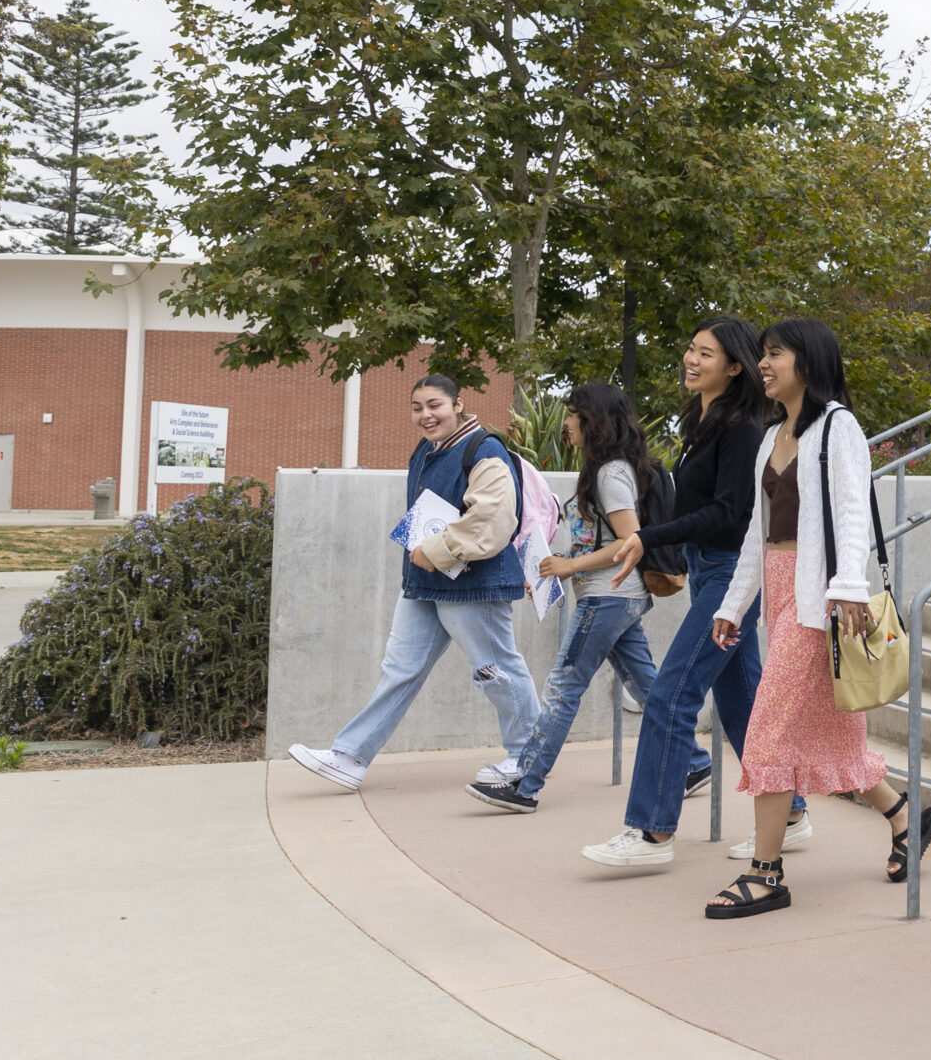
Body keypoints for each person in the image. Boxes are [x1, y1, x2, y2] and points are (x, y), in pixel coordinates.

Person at [702, 317, 931, 918]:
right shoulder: (771, 435)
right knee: (830, 735)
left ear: (807, 361)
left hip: (818, 602)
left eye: (775, 353)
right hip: (780, 595)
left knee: (768, 731)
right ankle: (906, 820)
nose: (764, 364)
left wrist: (848, 589)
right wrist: (733, 606)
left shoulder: (838, 426)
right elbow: (758, 534)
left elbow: (853, 512)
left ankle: (765, 872)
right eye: (761, 355)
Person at [578, 318, 810, 869]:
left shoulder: (743, 430)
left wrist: (647, 536)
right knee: (742, 702)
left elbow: (732, 513)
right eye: (690, 347)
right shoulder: (702, 421)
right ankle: (794, 810)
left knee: (672, 693)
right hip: (708, 570)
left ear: (734, 367)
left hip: (734, 574)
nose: (690, 358)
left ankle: (651, 834)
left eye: (704, 352)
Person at [288, 375, 541, 792]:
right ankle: (349, 757)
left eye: (435, 405)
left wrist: (437, 550)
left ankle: (528, 758)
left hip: (470, 585)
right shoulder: (429, 449)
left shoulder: (485, 449)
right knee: (399, 670)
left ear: (459, 404)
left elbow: (493, 520)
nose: (425, 415)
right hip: (425, 581)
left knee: (497, 670)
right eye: (417, 407)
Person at [466, 382, 661, 814]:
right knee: (649, 688)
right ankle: (695, 763)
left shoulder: (610, 473)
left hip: (606, 598)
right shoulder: (609, 469)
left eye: (573, 414)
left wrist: (571, 566)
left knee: (561, 689)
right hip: (618, 596)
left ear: (592, 420)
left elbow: (632, 540)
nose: (567, 423)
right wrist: (561, 561)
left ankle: (526, 785)